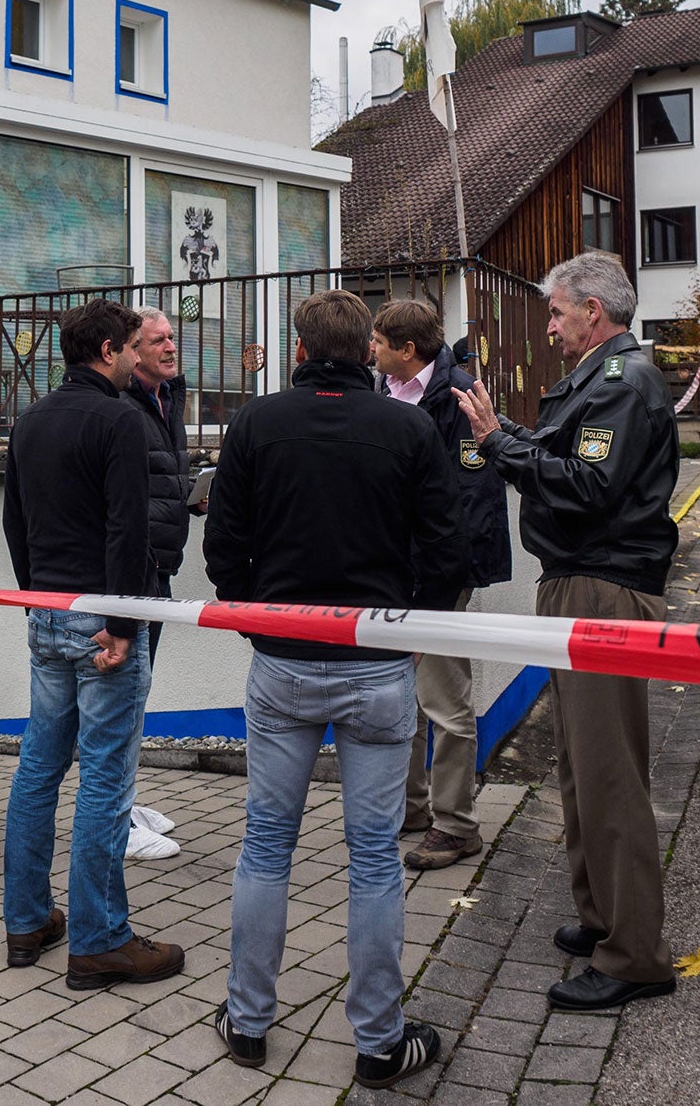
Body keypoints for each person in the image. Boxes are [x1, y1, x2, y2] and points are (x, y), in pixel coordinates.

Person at [206, 290, 468, 1090]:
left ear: (298, 349)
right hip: (376, 667)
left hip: (282, 664)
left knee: (265, 847)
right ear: (366, 351)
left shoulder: (255, 425)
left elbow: (223, 547)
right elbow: (447, 550)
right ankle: (380, 1041)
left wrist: (261, 626)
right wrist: (402, 623)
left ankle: (248, 1023)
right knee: (375, 861)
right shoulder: (408, 427)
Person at [453, 252, 680, 1011]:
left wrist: (496, 442)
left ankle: (634, 956)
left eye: (556, 312)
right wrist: (505, 432)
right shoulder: (598, 380)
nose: (548, 327)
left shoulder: (622, 380)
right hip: (581, 581)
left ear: (595, 311)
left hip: (604, 587)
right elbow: (561, 457)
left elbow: (587, 486)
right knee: (581, 768)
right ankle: (603, 919)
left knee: (609, 774)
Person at [0, 297, 184, 990]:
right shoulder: (118, 420)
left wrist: (36, 599)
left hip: (46, 612)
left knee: (38, 769)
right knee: (106, 780)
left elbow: (16, 524)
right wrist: (125, 625)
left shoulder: (32, 419)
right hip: (103, 619)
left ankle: (27, 923)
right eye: (133, 344)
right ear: (108, 351)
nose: (141, 353)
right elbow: (127, 532)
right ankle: (101, 940)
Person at [370, 298, 513, 872]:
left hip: (437, 577)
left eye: (379, 342)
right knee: (397, 698)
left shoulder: (459, 398)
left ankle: (456, 826)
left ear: (408, 350)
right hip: (389, 574)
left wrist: (439, 584)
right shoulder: (382, 392)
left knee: (446, 704)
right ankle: (410, 809)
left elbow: (469, 501)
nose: (371, 350)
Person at [121, 306, 199, 860]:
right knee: (123, 693)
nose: (171, 347)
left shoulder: (169, 397)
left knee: (139, 688)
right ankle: (115, 820)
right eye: (158, 340)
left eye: (173, 337)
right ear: (132, 350)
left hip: (161, 563)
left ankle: (126, 799)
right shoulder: (120, 405)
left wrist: (192, 493)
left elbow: (162, 474)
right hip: (135, 568)